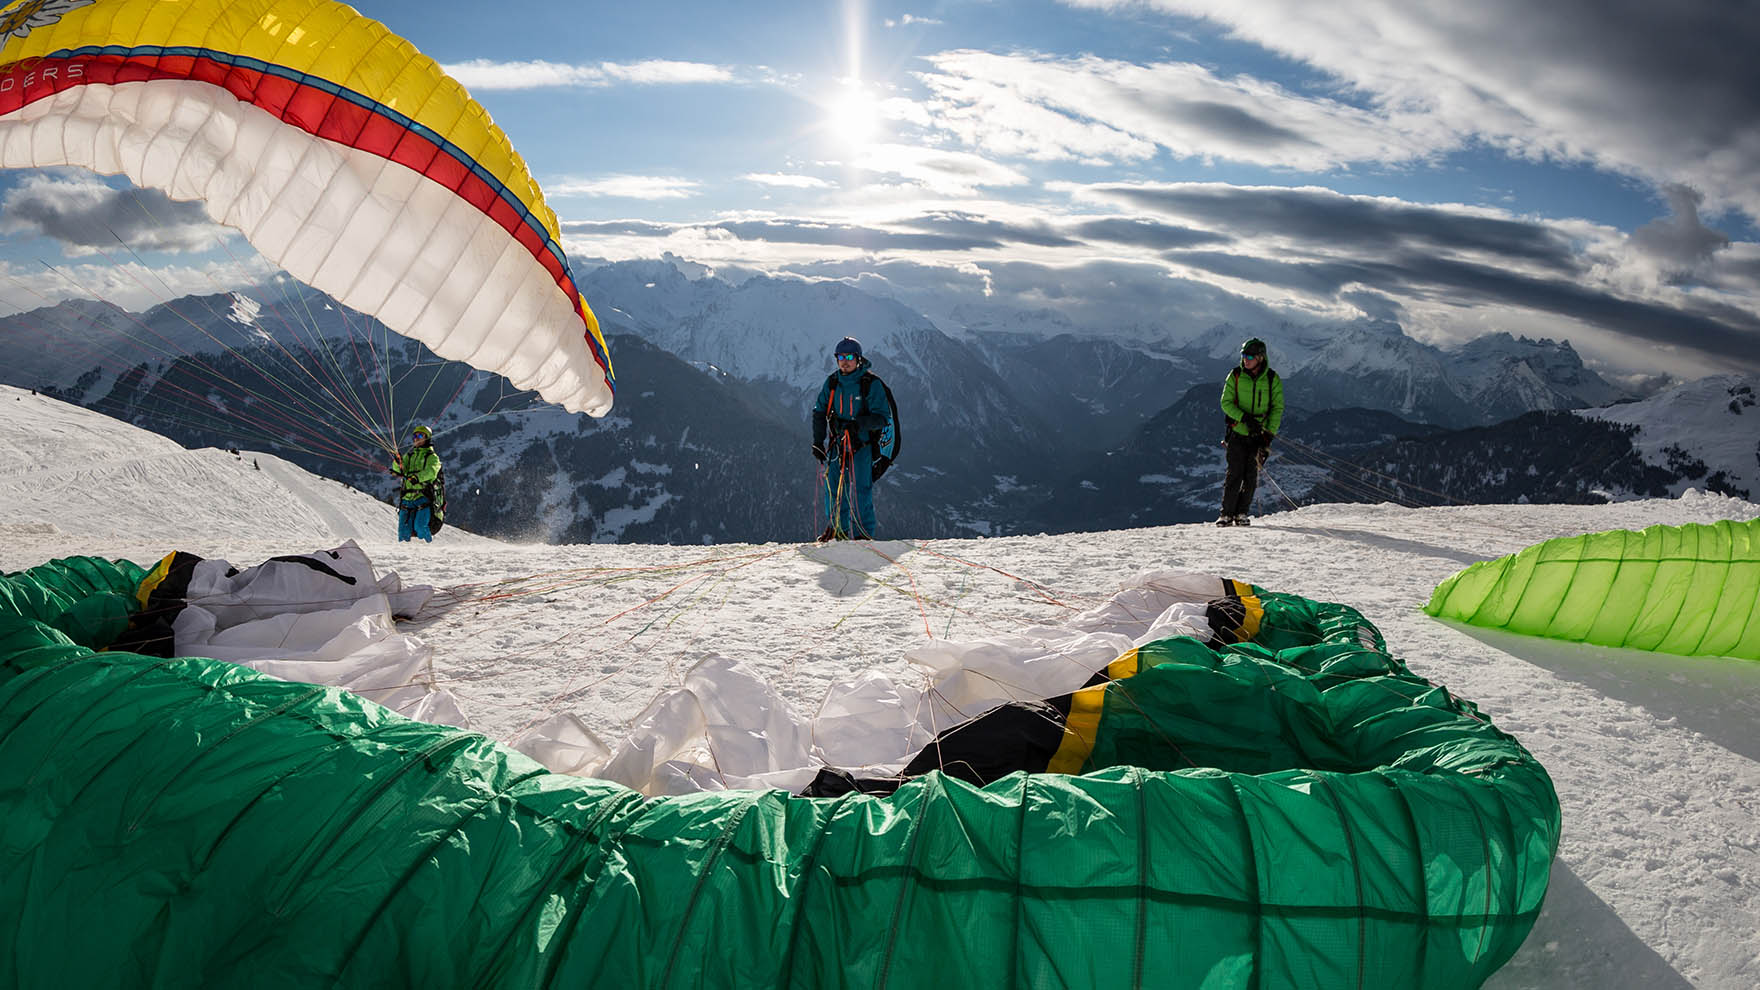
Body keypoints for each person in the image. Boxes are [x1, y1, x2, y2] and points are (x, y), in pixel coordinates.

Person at [811, 336, 895, 541]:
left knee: (861, 490)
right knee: (833, 487)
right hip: (837, 444)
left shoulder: (870, 384)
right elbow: (819, 412)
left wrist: (859, 424)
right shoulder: (832, 382)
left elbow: (883, 417)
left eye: (849, 356)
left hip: (862, 445)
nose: (845, 361)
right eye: (841, 357)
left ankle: (863, 534)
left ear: (858, 359)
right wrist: (818, 441)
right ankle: (837, 529)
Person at [1217, 337, 1283, 526]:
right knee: (1234, 474)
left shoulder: (1272, 379)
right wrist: (1245, 418)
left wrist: (1268, 435)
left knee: (1251, 476)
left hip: (1258, 435)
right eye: (1244, 355)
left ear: (1260, 358)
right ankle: (1226, 514)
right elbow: (1225, 403)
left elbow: (1277, 408)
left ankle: (1241, 513)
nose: (1245, 359)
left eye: (1250, 356)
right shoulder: (1235, 375)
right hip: (1238, 432)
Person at [391, 424, 442, 542]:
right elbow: (400, 470)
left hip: (422, 497)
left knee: (421, 528)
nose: (416, 438)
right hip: (407, 498)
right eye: (414, 436)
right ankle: (403, 555)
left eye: (420, 435)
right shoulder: (409, 456)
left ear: (427, 438)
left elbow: (432, 472)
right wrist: (397, 462)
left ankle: (432, 551)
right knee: (403, 532)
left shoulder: (432, 457)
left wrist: (417, 478)